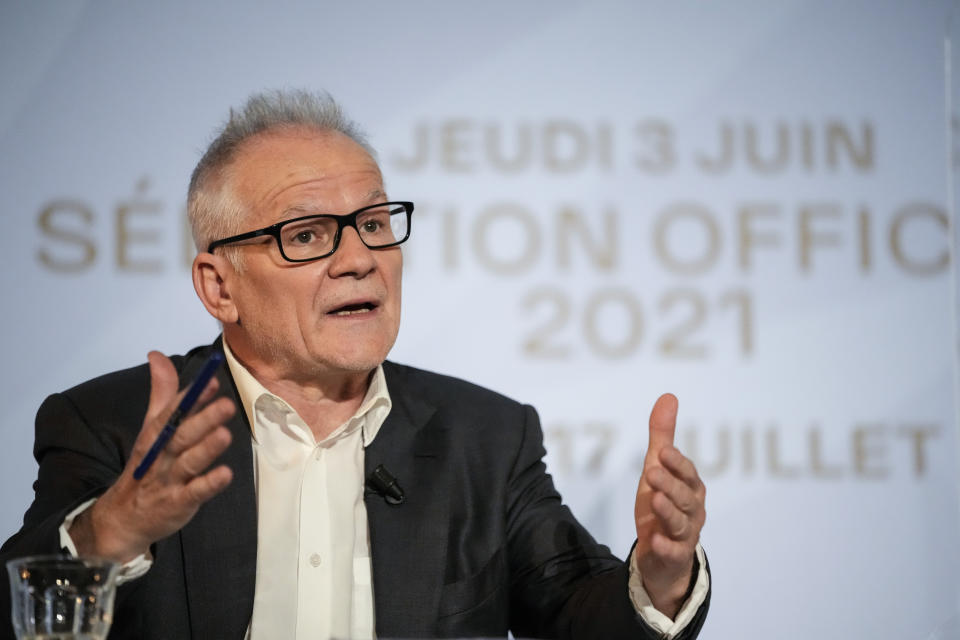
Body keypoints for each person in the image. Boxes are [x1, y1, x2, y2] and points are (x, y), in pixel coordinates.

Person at [0, 89, 710, 639]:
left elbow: (581, 615)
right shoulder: (113, 426)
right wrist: (111, 532)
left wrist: (660, 574)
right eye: (306, 234)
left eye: (373, 224)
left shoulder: (484, 437)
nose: (359, 258)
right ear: (220, 286)